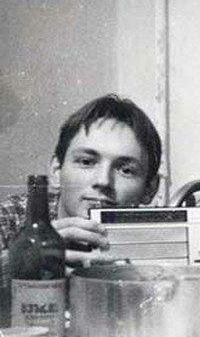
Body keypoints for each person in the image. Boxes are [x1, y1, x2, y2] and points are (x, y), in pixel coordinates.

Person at [0, 94, 162, 266]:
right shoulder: (12, 216)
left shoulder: (160, 239)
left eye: (126, 170)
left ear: (150, 189)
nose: (103, 181)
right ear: (56, 171)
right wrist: (19, 263)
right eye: (86, 162)